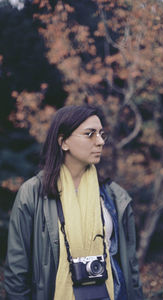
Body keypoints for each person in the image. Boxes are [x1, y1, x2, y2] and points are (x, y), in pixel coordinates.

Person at [4, 105, 144, 300]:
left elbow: (130, 268)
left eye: (102, 134)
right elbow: (17, 272)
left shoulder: (114, 196)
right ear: (63, 142)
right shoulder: (33, 194)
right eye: (90, 134)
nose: (100, 141)